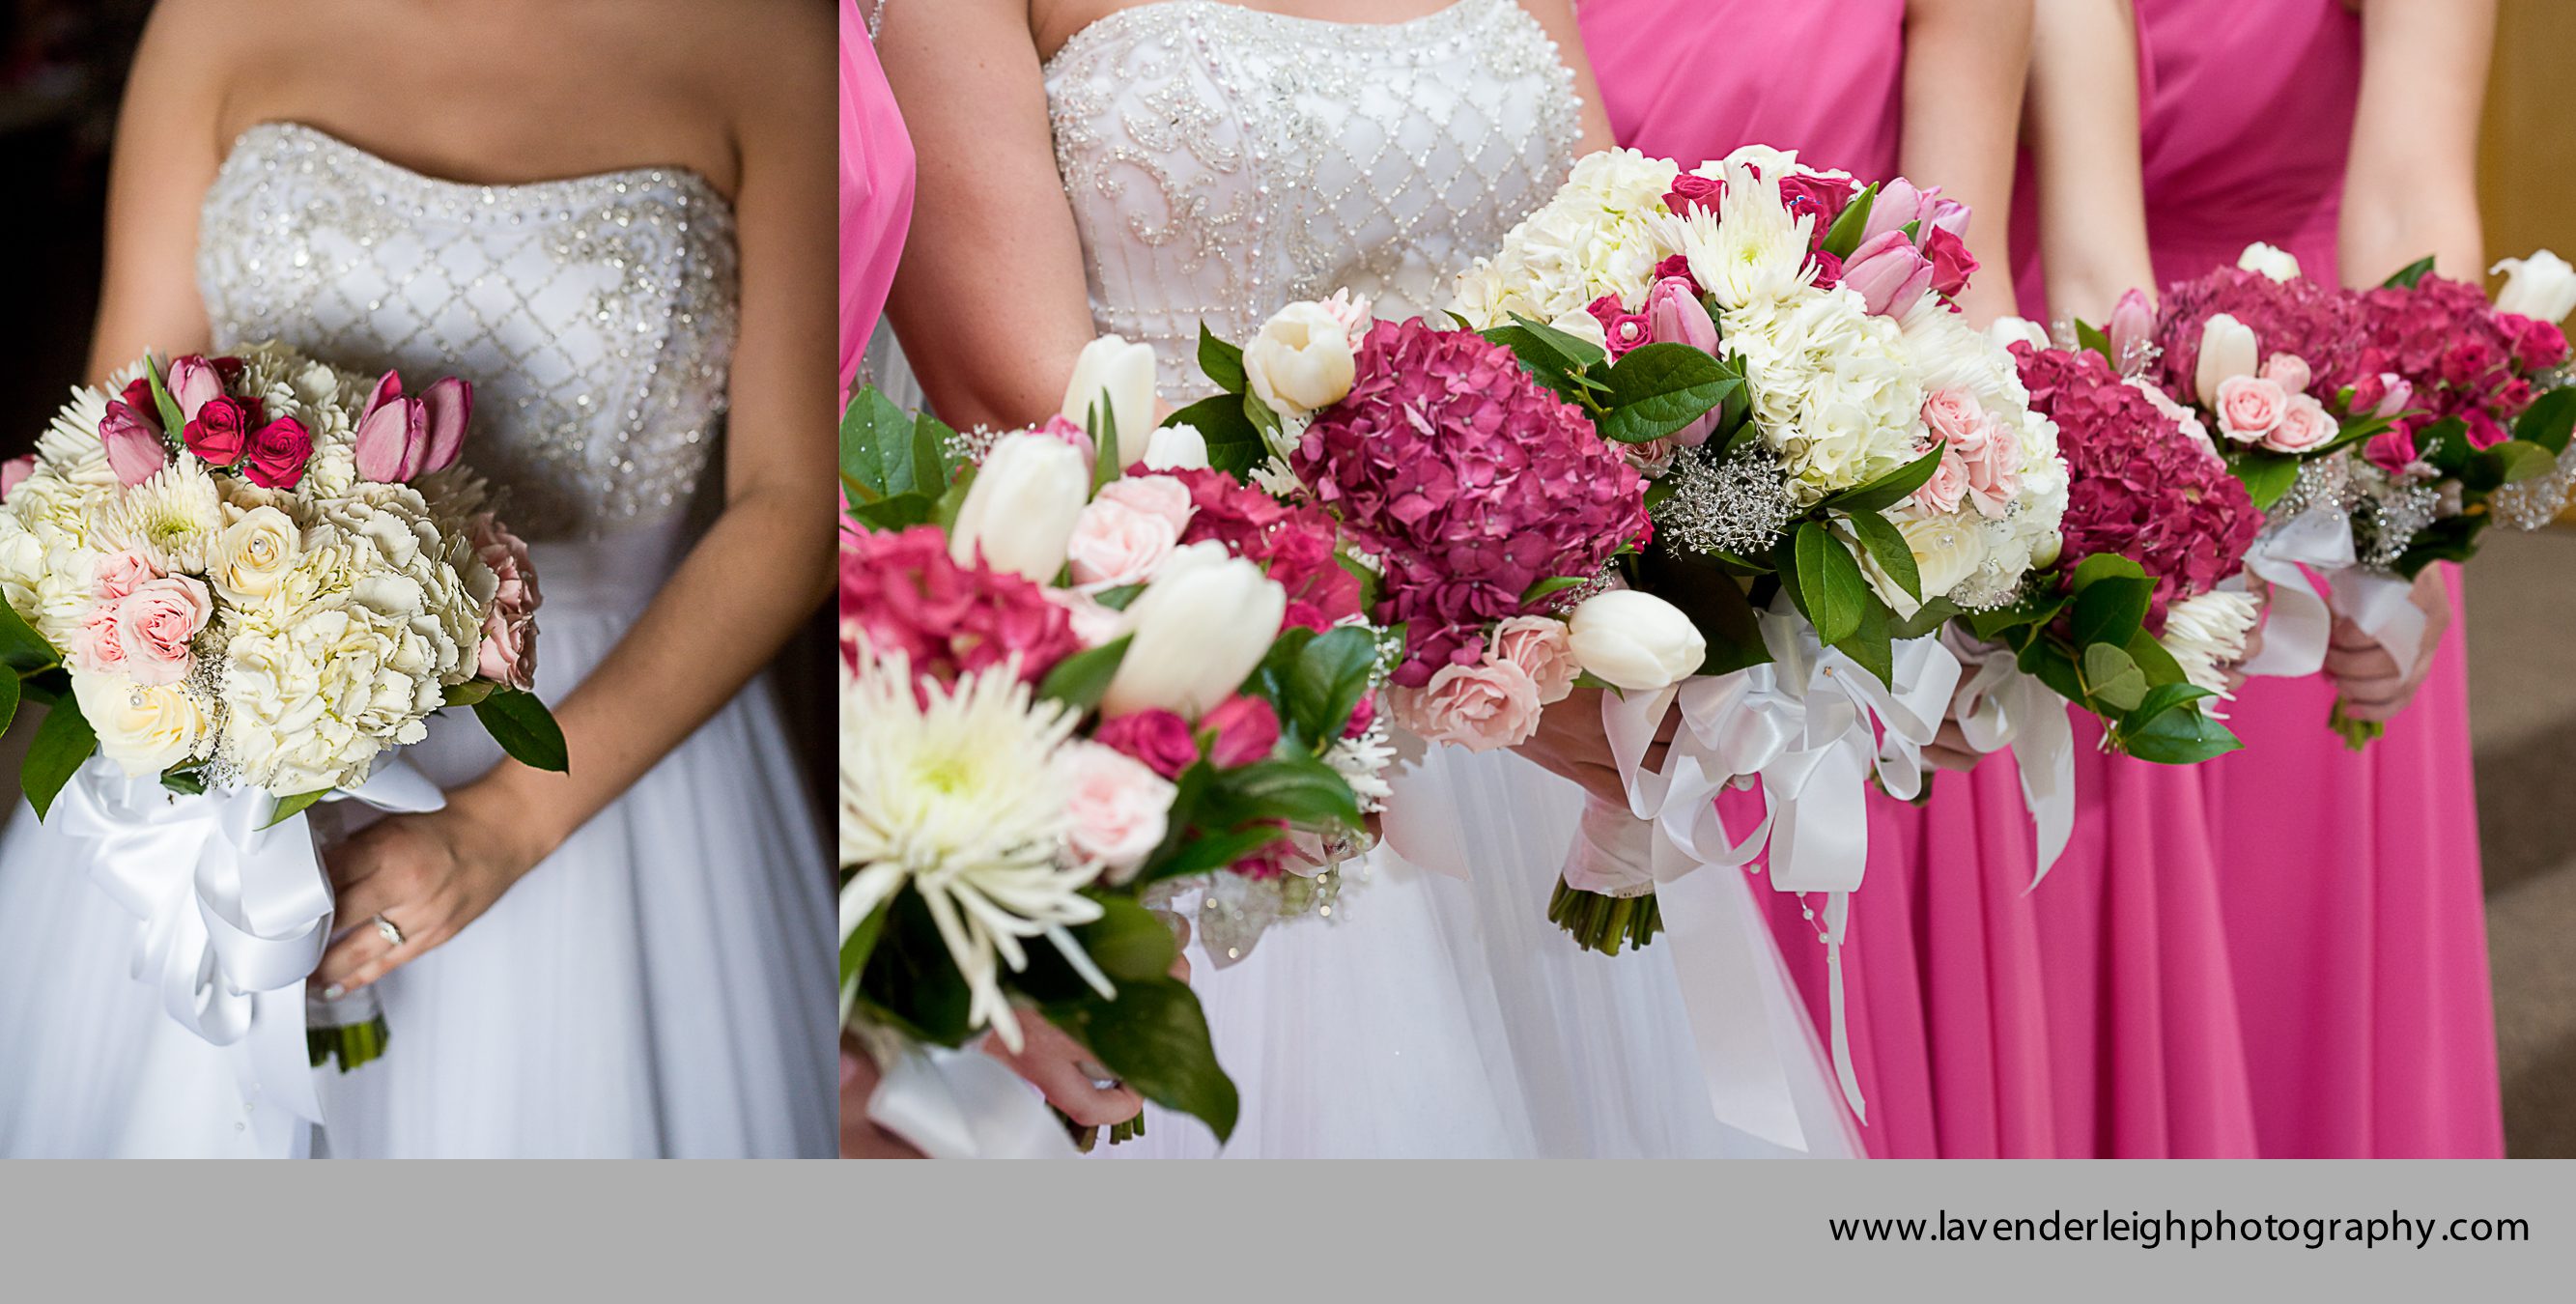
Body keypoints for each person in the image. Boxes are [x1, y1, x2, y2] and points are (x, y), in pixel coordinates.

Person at [880, 0, 1858, 1157]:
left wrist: (1614, 601)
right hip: (1197, 675)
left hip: (1533, 708)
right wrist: (1450, 646)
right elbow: (1022, 393)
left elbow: (1607, 270)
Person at [0, 0, 839, 1158]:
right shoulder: (213, 20)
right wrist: (207, 717)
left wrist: (509, 825)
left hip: (592, 748)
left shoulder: (774, 43)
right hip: (227, 721)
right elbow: (121, 434)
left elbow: (794, 505)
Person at [2155, 0, 2505, 1158]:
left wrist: (2412, 509)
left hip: (2305, 422)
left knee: (2285, 958)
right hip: (2051, 375)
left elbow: (2410, 195)